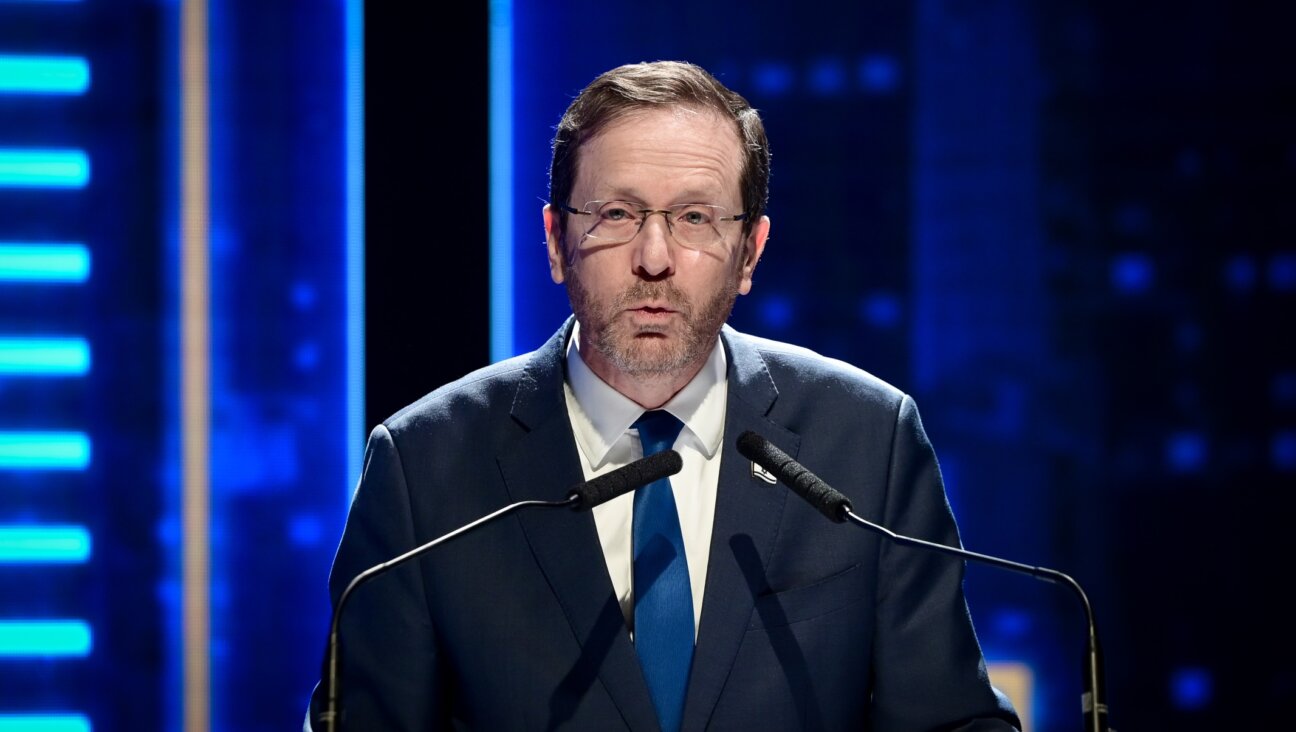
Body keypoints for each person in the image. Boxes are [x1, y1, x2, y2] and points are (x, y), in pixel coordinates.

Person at [307, 60, 1020, 731]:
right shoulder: (422, 466)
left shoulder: (868, 440)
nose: (655, 259)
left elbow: (950, 721)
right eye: (616, 215)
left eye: (695, 219)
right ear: (556, 240)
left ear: (750, 254)